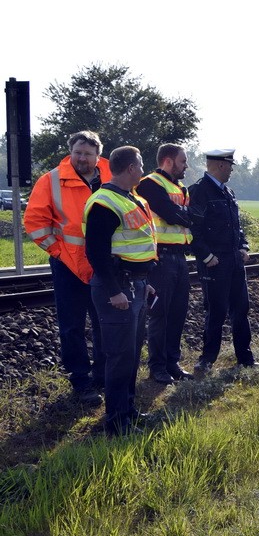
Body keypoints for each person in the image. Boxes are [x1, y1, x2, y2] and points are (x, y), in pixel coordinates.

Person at [24, 131, 111, 407]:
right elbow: (36, 222)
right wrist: (59, 252)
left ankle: (103, 375)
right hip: (67, 266)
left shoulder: (111, 175)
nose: (81, 158)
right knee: (71, 326)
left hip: (104, 264)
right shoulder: (50, 180)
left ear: (98, 155)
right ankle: (81, 381)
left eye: (87, 153)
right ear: (70, 151)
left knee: (103, 323)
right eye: (77, 152)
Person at [83, 146, 157, 436]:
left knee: (132, 353)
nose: (142, 170)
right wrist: (115, 291)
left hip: (134, 284)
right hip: (117, 288)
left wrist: (143, 280)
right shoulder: (104, 202)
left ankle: (128, 411)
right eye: (140, 166)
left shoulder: (131, 198)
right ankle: (116, 424)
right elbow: (96, 252)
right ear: (130, 168)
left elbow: (135, 246)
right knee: (119, 356)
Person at [188, 149, 257, 372]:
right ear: (220, 166)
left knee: (241, 309)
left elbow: (237, 226)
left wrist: (243, 246)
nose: (232, 170)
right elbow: (192, 229)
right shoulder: (199, 191)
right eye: (230, 166)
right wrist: (206, 256)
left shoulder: (228, 192)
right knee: (215, 311)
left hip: (234, 262)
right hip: (214, 263)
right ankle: (207, 358)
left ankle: (245, 358)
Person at [134, 144, 192, 384]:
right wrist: (186, 214)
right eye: (183, 161)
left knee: (178, 313)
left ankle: (172, 362)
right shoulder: (149, 184)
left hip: (179, 257)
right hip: (161, 258)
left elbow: (185, 214)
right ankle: (157, 366)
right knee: (160, 314)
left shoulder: (180, 187)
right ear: (168, 161)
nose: (186, 165)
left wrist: (184, 213)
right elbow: (170, 213)